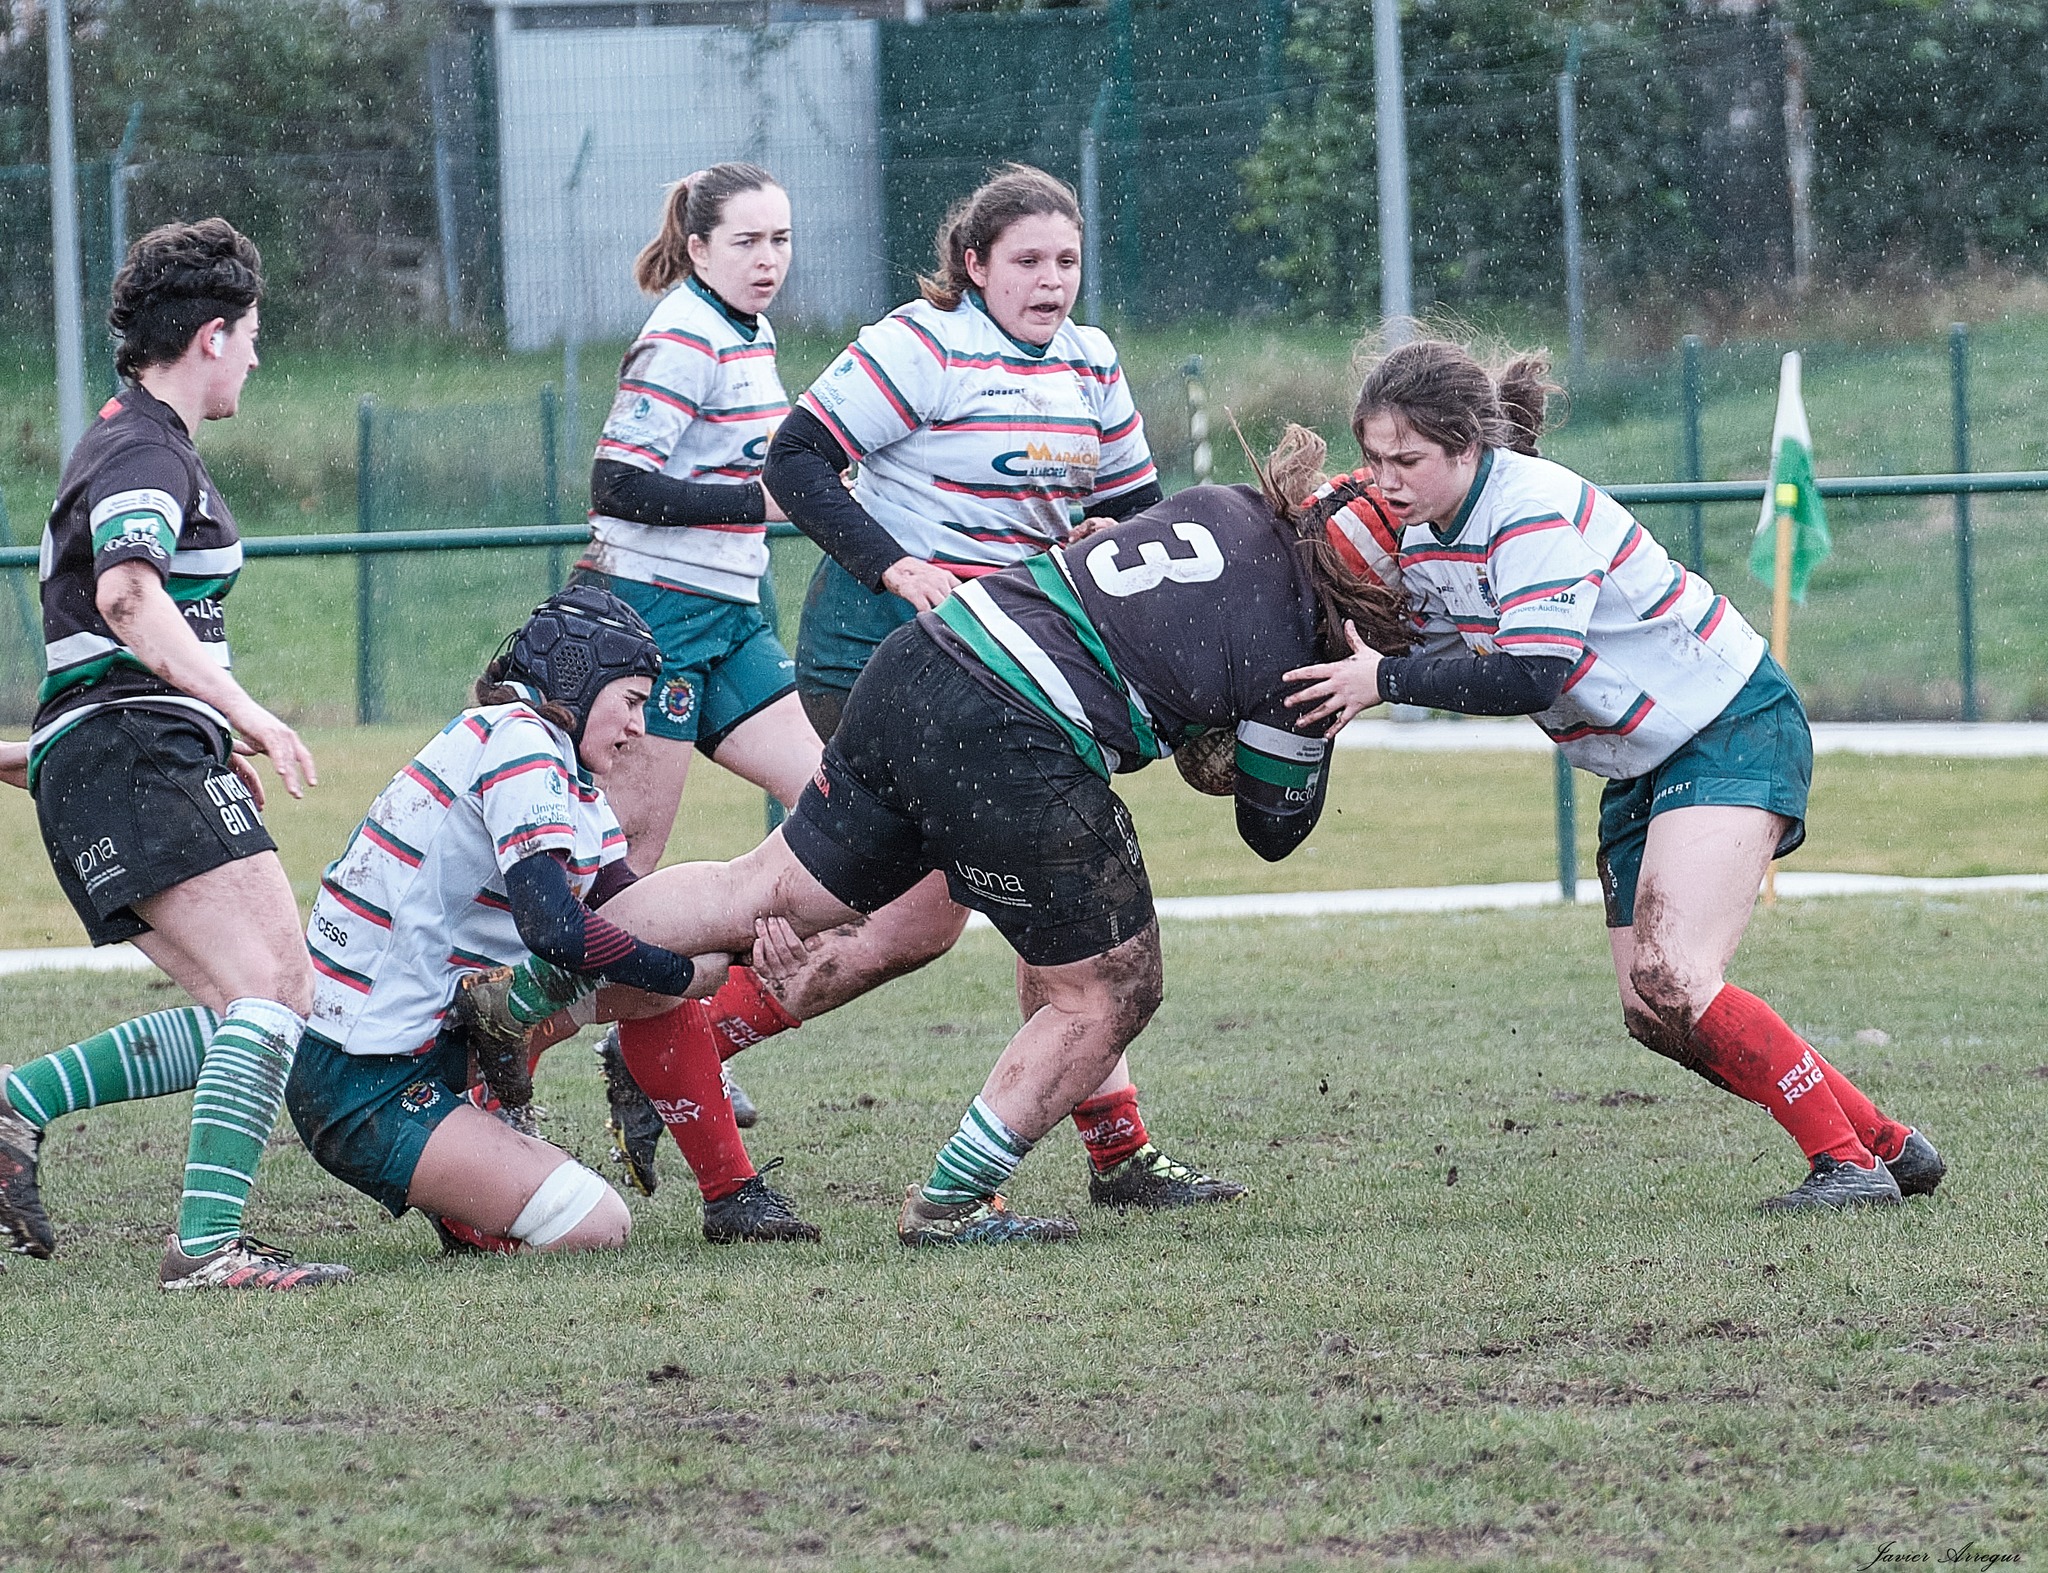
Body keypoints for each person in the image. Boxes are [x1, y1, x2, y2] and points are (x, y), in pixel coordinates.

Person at [459, 438, 1410, 1244]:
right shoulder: (1296, 641)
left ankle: (523, 993)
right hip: (1014, 725)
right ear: (1363, 595)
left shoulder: (1228, 502)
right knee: (1111, 985)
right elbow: (1272, 826)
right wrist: (1342, 698)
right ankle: (953, 1202)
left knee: (765, 884)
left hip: (927, 654)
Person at [635, 160, 1232, 1210]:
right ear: (974, 264)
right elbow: (794, 460)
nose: (1051, 281)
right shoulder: (924, 344)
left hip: (1014, 681)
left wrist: (1117, 541)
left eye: (1067, 261)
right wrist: (895, 566)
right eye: (1027, 261)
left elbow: (1139, 514)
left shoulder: (1090, 363)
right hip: (883, 663)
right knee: (995, 906)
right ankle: (627, 1023)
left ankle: (665, 1037)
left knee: (955, 915)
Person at [1283, 335, 1947, 1213]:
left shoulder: (1529, 509)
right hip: (1642, 760)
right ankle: (1886, 1144)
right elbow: (1437, 649)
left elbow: (1532, 672)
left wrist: (1387, 680)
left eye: (1407, 460)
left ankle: (1846, 1167)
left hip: (1728, 724)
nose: (1386, 480)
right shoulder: (1422, 536)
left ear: (1469, 446)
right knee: (1652, 1009)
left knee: (1677, 972)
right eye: (1374, 460)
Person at [0, 220, 350, 1289]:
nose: (257, 358)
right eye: (252, 335)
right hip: (136, 751)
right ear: (212, 336)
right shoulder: (146, 452)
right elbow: (126, 595)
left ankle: (18, 1103)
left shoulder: (128, 439)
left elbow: (90, 662)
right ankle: (205, 1248)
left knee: (254, 1001)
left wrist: (184, 732)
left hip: (117, 753)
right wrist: (246, 712)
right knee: (275, 986)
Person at [282, 585, 757, 1257]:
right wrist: (684, 973)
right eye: (630, 701)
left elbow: (634, 909)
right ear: (578, 677)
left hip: (420, 1051)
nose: (638, 727)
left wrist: (743, 944)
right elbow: (555, 929)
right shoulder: (520, 740)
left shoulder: (566, 774)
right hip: (361, 1082)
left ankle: (727, 1189)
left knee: (648, 988)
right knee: (598, 1224)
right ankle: (470, 1198)